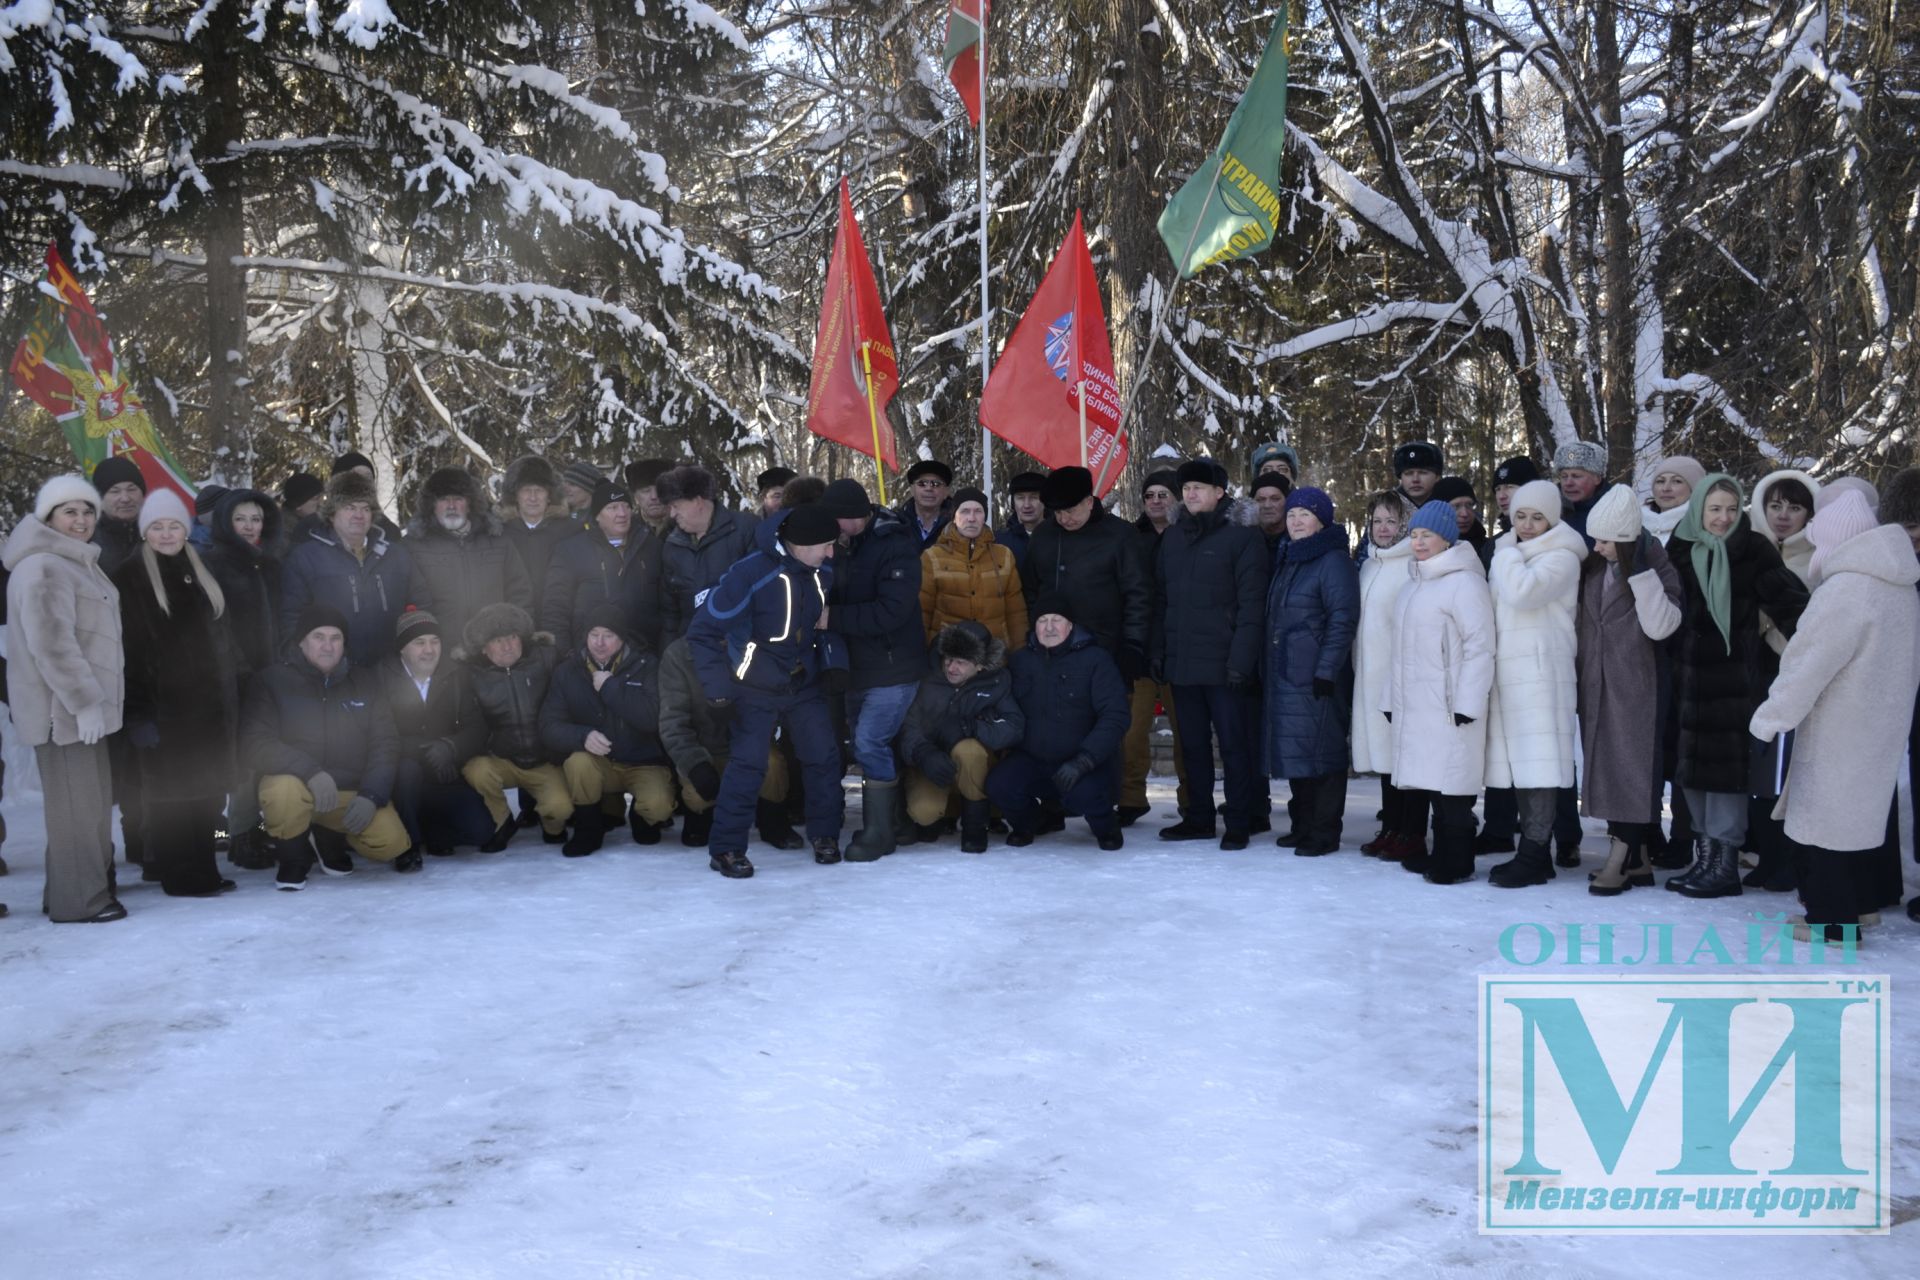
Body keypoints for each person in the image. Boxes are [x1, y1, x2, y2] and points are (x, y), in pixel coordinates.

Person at [1751, 491, 1920, 944]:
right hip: (1880, 722)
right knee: (1858, 823)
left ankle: (1833, 922)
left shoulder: (1846, 590)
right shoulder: (1897, 584)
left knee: (1821, 826)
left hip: (1839, 725)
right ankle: (1861, 908)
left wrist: (1770, 718)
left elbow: (1807, 665)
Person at [1664, 474, 1809, 898]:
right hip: (1689, 683)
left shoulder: (1754, 550)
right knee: (1691, 774)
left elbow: (1793, 608)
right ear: (1699, 512)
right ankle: (1705, 859)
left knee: (1725, 776)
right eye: (1714, 509)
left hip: (1734, 685)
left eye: (1732, 508)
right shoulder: (1680, 548)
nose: (1724, 518)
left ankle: (1724, 867)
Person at [686, 503, 849, 877]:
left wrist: (833, 663)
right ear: (798, 544)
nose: (831, 553)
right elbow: (703, 631)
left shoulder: (820, 570)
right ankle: (726, 848)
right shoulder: (751, 574)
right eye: (825, 545)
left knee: (824, 755)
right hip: (754, 686)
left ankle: (825, 835)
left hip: (801, 682)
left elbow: (817, 626)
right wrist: (718, 688)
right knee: (748, 764)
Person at [4, 475, 127, 922]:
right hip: (65, 714)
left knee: (86, 806)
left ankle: (67, 891)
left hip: (80, 713)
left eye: (87, 510)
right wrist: (84, 702)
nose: (81, 520)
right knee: (76, 809)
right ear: (48, 518)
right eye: (69, 511)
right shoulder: (44, 566)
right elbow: (52, 645)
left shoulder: (74, 562)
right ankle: (81, 902)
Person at [110, 489, 240, 898]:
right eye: (157, 527)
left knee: (205, 794)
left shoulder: (196, 567)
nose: (166, 535)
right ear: (145, 531)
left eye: (174, 526)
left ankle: (204, 867)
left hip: (206, 707)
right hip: (163, 710)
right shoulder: (131, 577)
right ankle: (179, 873)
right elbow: (129, 652)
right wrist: (139, 715)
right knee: (171, 799)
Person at [242, 604, 413, 890]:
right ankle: (293, 858)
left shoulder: (366, 682)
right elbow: (255, 742)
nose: (327, 645)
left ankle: (325, 834)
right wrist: (310, 771)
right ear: (301, 641)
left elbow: (385, 743)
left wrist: (371, 795)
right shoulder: (271, 681)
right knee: (282, 791)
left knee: (391, 843)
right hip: (297, 787)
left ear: (344, 644)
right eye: (318, 637)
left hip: (347, 791)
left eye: (336, 638)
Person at [1575, 487, 1687, 893]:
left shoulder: (1655, 566)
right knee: (1606, 768)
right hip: (1597, 684)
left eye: (1605, 540)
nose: (1598, 546)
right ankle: (1636, 859)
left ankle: (1620, 859)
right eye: (1595, 538)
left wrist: (1641, 575)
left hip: (1639, 686)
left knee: (1632, 770)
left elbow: (1662, 625)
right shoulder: (1594, 568)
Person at [1151, 459, 1266, 849]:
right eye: (1186, 489)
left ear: (1219, 492)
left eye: (1199, 487)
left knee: (1234, 746)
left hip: (1225, 666)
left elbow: (1252, 608)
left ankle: (1238, 820)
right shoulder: (1173, 537)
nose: (1191, 494)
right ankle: (1198, 817)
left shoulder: (1242, 537)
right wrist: (1160, 653)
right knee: (1192, 746)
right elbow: (1162, 601)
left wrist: (1241, 662)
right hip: (1183, 665)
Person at [1480, 481, 1588, 887]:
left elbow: (1524, 593)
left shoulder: (1562, 556)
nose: (1526, 524)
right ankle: (1534, 850)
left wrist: (1504, 552)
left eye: (1537, 517)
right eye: (1521, 516)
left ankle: (1535, 850)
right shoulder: (1515, 553)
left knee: (1540, 764)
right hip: (1510, 671)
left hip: (1542, 674)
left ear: (1552, 519)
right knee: (1522, 764)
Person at [1384, 500, 1495, 885]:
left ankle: (1458, 860)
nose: (1418, 542)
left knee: (1452, 787)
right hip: (1417, 704)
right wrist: (1389, 699)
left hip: (1450, 705)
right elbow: (1396, 650)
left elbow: (1481, 646)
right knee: (1431, 782)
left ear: (1446, 539)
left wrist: (1468, 703)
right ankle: (1439, 852)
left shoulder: (1465, 581)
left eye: (1426, 535)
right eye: (1414, 534)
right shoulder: (1412, 584)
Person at [818, 478, 925, 861]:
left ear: (853, 518)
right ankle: (895, 822)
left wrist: (832, 618)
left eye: (835, 521)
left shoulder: (895, 545)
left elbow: (891, 612)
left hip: (894, 667)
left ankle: (879, 833)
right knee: (870, 744)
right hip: (856, 669)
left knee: (869, 743)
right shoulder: (844, 546)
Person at [986, 595, 1130, 848]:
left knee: (1084, 795)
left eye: (1056, 620)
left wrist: (1084, 760)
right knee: (1000, 785)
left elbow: (1115, 715)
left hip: (1081, 760)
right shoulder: (1020, 661)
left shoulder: (1095, 660)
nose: (1049, 627)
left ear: (1071, 625)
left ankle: (1106, 825)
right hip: (1031, 757)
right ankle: (1028, 823)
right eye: (1042, 620)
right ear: (1034, 626)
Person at [1261, 487, 1359, 856]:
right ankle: (1303, 825)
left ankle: (1324, 832)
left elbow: (1342, 618)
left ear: (1322, 520)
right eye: (1291, 515)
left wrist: (1327, 670)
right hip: (1289, 672)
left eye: (1305, 514)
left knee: (1324, 754)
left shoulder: (1333, 560)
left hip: (1318, 676)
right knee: (1301, 752)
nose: (1296, 521)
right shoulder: (1291, 557)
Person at [540, 607, 674, 856]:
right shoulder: (567, 671)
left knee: (658, 807)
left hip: (642, 762)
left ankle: (641, 817)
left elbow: (652, 719)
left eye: (609, 635)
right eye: (593, 634)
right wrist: (582, 736)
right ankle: (588, 828)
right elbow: (549, 726)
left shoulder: (647, 665)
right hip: (597, 763)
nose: (599, 643)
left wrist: (611, 687)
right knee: (578, 762)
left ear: (623, 638)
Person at [1744, 467, 1821, 891]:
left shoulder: (1818, 557)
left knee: (1787, 771)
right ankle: (1766, 856)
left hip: (1792, 672)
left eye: (1794, 507)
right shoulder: (1750, 548)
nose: (1783, 516)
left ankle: (1789, 861)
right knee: (1759, 770)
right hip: (1751, 672)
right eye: (1775, 506)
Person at [280, 469, 433, 667]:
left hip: (391, 672)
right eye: (350, 507)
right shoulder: (305, 558)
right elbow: (292, 618)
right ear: (332, 514)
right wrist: (303, 663)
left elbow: (421, 605)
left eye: (365, 508)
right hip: (332, 672)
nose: (359, 515)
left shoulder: (397, 555)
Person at [658, 632, 794, 851]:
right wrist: (695, 763)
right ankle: (701, 819)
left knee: (773, 765)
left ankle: (772, 821)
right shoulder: (677, 655)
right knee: (698, 794)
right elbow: (672, 722)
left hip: (747, 743)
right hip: (704, 750)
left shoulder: (757, 645)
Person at [898, 621, 1025, 851]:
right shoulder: (926, 676)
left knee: (970, 750)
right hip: (931, 760)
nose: (951, 668)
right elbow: (908, 724)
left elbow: (1014, 727)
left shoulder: (996, 681)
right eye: (948, 659)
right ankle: (939, 815)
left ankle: (975, 828)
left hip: (971, 763)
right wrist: (922, 753)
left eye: (961, 662)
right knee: (923, 813)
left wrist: (973, 727)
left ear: (979, 666)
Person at [459, 602, 574, 850]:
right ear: (484, 647)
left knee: (560, 808)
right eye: (498, 640)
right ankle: (502, 820)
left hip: (544, 761)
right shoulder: (470, 674)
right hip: (501, 759)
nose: (507, 646)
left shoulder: (546, 657)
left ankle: (551, 824)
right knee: (476, 769)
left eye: (512, 637)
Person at [379, 607, 492, 858]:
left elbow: (478, 728)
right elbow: (379, 736)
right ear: (402, 648)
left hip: (445, 775)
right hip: (402, 783)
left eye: (434, 641)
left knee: (482, 832)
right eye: (419, 643)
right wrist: (428, 749)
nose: (429, 650)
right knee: (408, 771)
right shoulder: (382, 679)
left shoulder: (456, 676)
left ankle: (431, 830)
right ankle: (409, 846)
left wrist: (450, 747)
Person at [1019, 465, 1149, 673]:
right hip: (1050, 648)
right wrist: (1035, 628)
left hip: (1106, 647)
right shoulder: (1043, 535)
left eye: (1070, 511)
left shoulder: (1121, 535)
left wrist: (1134, 642)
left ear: (1089, 502)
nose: (1064, 519)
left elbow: (1138, 594)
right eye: (1058, 512)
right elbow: (1030, 589)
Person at [1351, 492, 1422, 861]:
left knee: (1404, 760)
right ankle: (1392, 827)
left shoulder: (1412, 564)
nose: (1382, 529)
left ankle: (1411, 832)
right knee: (1385, 761)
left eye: (1391, 522)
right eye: (1377, 521)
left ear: (1405, 526)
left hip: (1399, 679)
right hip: (1369, 676)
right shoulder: (1370, 564)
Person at [1121, 467, 1187, 826]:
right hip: (1141, 647)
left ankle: (1191, 800)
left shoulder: (1189, 534)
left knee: (1185, 732)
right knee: (1131, 732)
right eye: (1150, 496)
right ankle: (1129, 798)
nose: (1156, 501)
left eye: (1163, 494)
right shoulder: (1131, 537)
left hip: (1180, 649)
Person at [404, 466, 534, 649]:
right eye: (443, 499)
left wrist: (512, 640)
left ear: (470, 503)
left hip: (492, 651)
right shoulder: (413, 546)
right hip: (438, 651)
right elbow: (408, 605)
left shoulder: (498, 541)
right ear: (432, 505)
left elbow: (520, 594)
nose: (451, 506)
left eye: (458, 499)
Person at [541, 479, 661, 653]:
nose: (622, 513)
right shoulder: (570, 551)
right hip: (587, 655)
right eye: (612, 508)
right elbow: (556, 607)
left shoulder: (652, 547)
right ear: (597, 515)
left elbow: (668, 607)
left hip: (642, 656)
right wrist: (562, 654)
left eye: (626, 506)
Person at [656, 465, 758, 640]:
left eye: (676, 506)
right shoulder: (673, 545)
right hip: (690, 648)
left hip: (740, 647)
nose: (672, 514)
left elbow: (765, 594)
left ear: (697, 501)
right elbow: (670, 613)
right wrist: (670, 652)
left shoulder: (746, 530)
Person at [919, 486, 1027, 650]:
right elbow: (922, 613)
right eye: (964, 511)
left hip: (993, 654)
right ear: (954, 516)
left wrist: (1020, 653)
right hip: (948, 656)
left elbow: (1016, 613)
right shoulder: (932, 557)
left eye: (978, 511)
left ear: (984, 516)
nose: (971, 518)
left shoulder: (1004, 556)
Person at [499, 455, 578, 613]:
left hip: (560, 618)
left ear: (550, 496)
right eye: (526, 490)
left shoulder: (571, 531)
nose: (533, 497)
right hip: (512, 623)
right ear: (515, 495)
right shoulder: (500, 532)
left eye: (539, 490)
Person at [89, 454, 146, 574]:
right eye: (115, 491)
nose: (125, 498)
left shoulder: (161, 533)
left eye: (131, 489)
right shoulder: (86, 540)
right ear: (100, 498)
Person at [1551, 439, 1613, 543]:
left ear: (1597, 478)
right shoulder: (1549, 508)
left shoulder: (1615, 511)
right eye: (1564, 476)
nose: (1568, 483)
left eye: (1576, 476)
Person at [1643, 455, 1705, 545]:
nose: (1666, 488)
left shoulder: (1703, 532)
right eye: (1660, 481)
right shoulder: (1633, 528)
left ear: (1694, 489)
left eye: (1677, 481)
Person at [899, 460, 954, 547]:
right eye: (922, 483)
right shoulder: (898, 524)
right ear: (912, 490)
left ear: (946, 492)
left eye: (936, 484)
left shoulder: (958, 525)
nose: (928, 488)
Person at [1432, 476, 1489, 556]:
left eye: (1469, 505)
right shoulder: (1423, 548)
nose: (1464, 514)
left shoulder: (1489, 549)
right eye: (1456, 506)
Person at [1488, 457, 1539, 545]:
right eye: (1498, 489)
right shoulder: (1493, 546)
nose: (1501, 496)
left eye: (1509, 487)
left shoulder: (1552, 539)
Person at [1000, 471, 1050, 561]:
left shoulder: (1060, 538)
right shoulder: (1000, 542)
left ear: (1045, 501)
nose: (1027, 505)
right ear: (1013, 503)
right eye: (1021, 498)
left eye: (1034, 497)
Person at [625, 458, 673, 537]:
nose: (654, 496)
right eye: (646, 491)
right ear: (635, 497)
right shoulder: (624, 530)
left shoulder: (687, 526)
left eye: (659, 489)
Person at [1251, 473, 1290, 557]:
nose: (1267, 505)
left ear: (1287, 501)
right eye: (1260, 500)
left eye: (1275, 499)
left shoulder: (1300, 538)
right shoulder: (1241, 539)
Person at [1393, 441, 1443, 506]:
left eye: (1422, 473)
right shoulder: (1386, 507)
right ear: (1401, 477)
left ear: (1437, 476)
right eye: (1408, 473)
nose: (1415, 479)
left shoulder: (1453, 505)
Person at [560, 460, 608, 526]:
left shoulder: (601, 520)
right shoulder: (559, 515)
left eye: (572, 484)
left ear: (588, 489)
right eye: (565, 483)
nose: (566, 488)